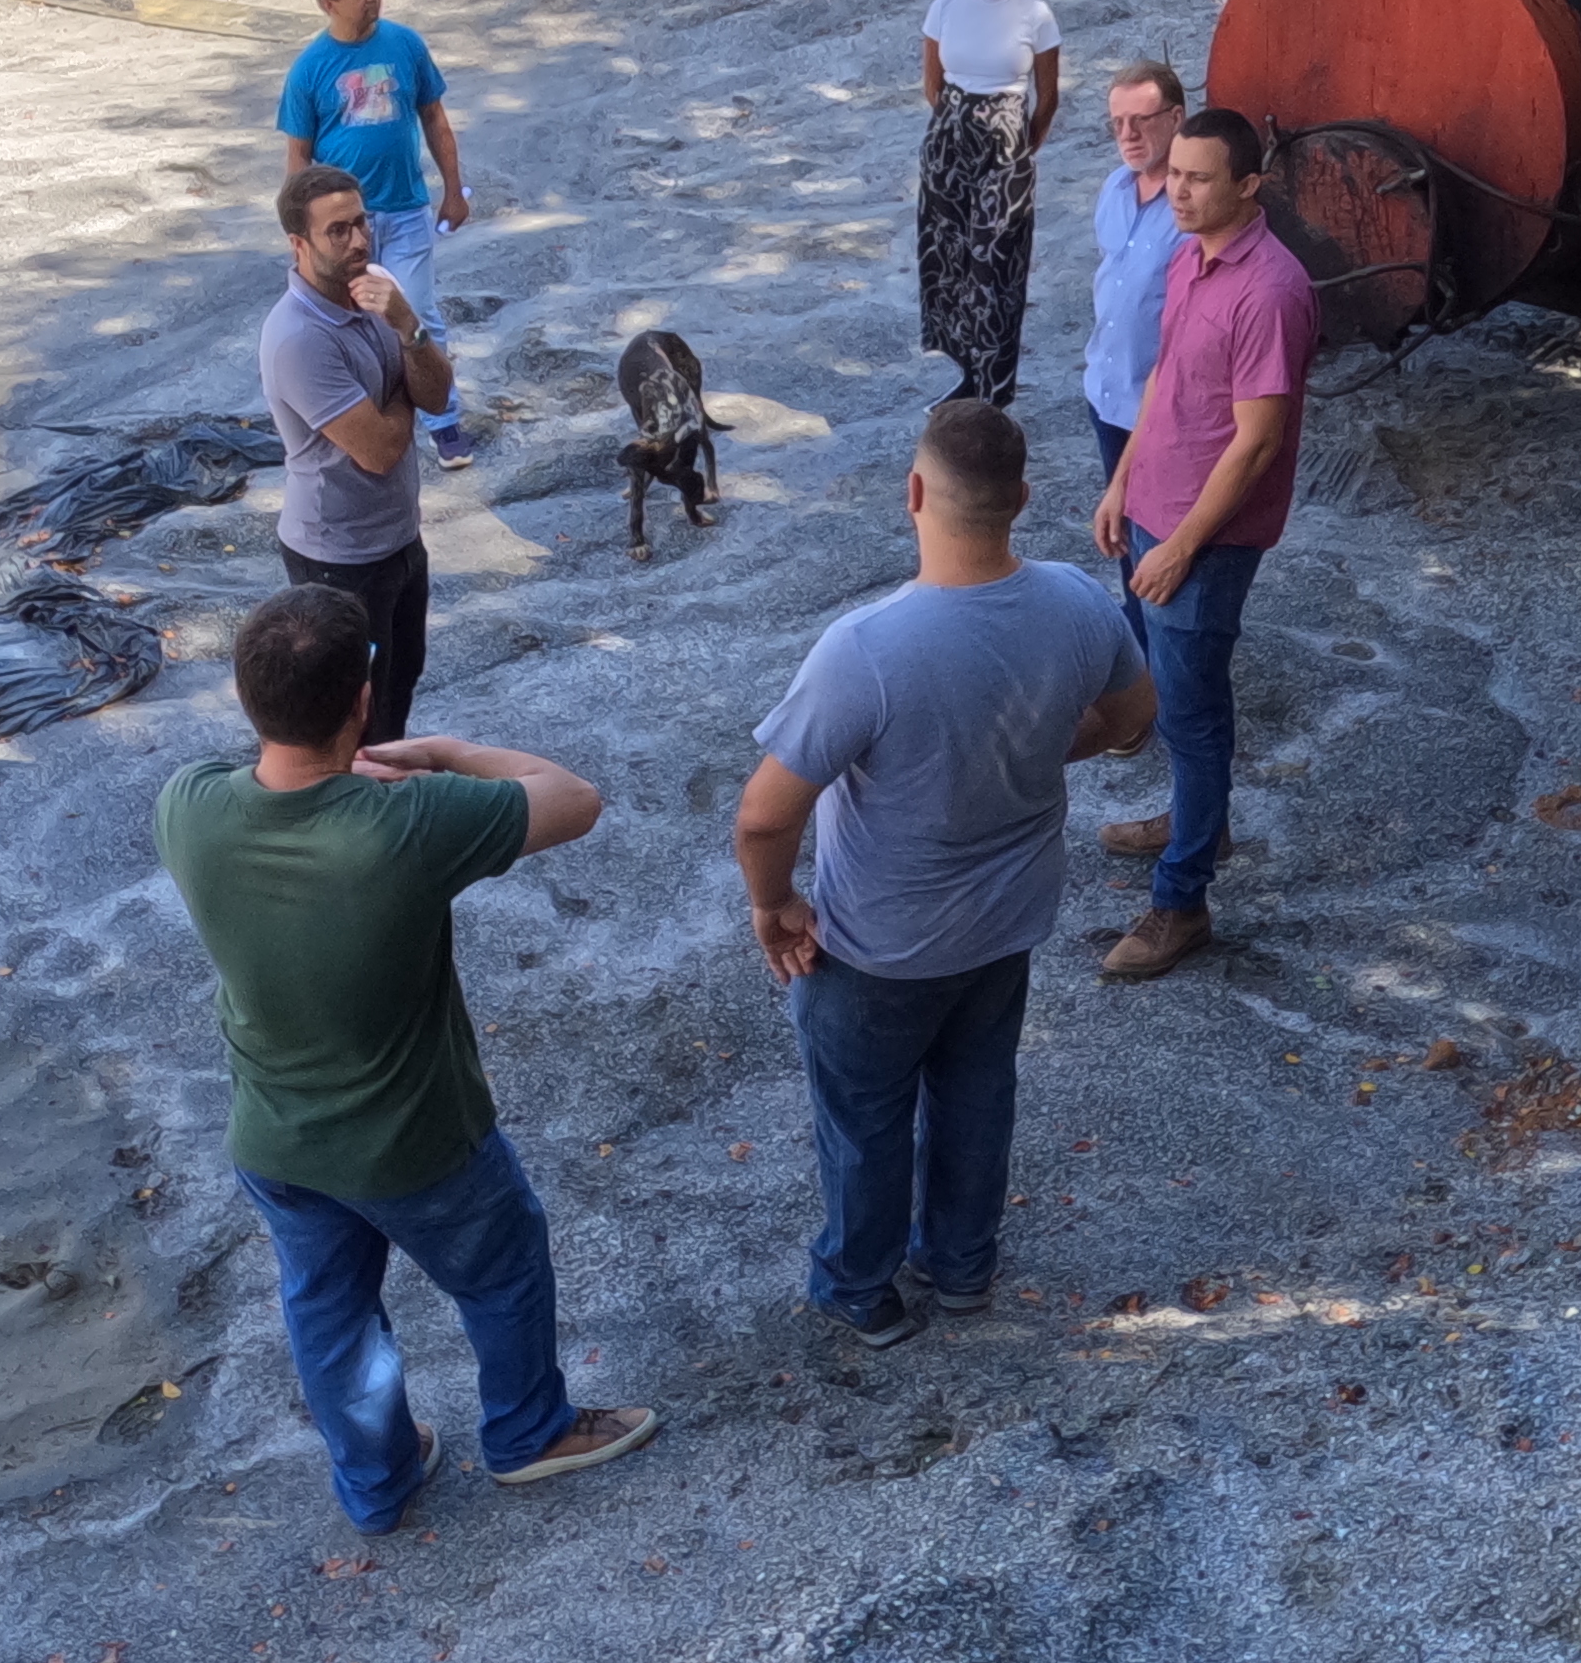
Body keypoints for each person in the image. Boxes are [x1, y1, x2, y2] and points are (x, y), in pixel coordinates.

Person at [153, 582, 660, 1527]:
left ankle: (377, 1481)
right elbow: (574, 799)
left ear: (245, 696)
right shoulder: (407, 827)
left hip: (273, 1140)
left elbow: (260, 770)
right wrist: (445, 756)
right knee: (505, 1267)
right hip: (416, 1142)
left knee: (329, 1310)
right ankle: (527, 1433)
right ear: (362, 699)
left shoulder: (187, 808)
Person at [732, 399, 1155, 1346]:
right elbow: (1133, 721)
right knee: (977, 1092)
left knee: (865, 1119)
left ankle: (862, 1287)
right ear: (1024, 499)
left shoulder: (867, 651)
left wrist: (773, 904)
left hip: (877, 945)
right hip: (1005, 928)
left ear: (915, 493)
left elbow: (764, 814)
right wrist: (1043, 755)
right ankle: (963, 1268)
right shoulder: (1081, 606)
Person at [1086, 104, 1316, 984]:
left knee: (1190, 707)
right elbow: (1166, 384)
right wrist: (1121, 483)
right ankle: (1197, 817)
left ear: (1248, 186)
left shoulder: (1271, 290)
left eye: (1197, 178)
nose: (1175, 191)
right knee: (1170, 690)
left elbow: (1256, 442)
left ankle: (1182, 898)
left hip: (1204, 538)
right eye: (1173, 174)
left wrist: (1180, 545)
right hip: (1152, 506)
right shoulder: (1192, 256)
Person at [263, 162, 450, 751]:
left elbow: (439, 394)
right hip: (338, 561)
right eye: (337, 231)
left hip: (398, 540)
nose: (360, 241)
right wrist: (404, 393)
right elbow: (381, 450)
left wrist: (406, 323)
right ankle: (348, 827)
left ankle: (383, 808)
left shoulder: (374, 296)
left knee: (397, 690)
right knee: (349, 721)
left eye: (361, 223)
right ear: (299, 244)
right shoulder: (300, 338)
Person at [278, 0, 477, 472]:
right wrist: (304, 229)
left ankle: (444, 422)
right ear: (329, 3)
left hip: (406, 208)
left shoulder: (405, 45)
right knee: (353, 317)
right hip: (346, 227)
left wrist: (454, 189)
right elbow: (298, 155)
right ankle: (363, 412)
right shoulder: (310, 70)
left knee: (414, 307)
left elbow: (434, 117)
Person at [913, 0, 1061, 407]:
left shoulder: (1034, 14)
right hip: (947, 144)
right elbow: (933, 84)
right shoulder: (945, 6)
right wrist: (955, 128)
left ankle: (996, 386)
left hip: (1007, 149)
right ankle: (965, 372)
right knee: (950, 259)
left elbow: (1048, 97)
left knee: (996, 266)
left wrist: (1020, 150)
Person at [1077, 58, 1188, 491]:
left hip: (1161, 410)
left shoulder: (1191, 206)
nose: (1127, 136)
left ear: (1176, 118)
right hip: (1106, 394)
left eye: (1140, 121)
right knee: (1120, 530)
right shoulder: (1115, 189)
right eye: (1117, 123)